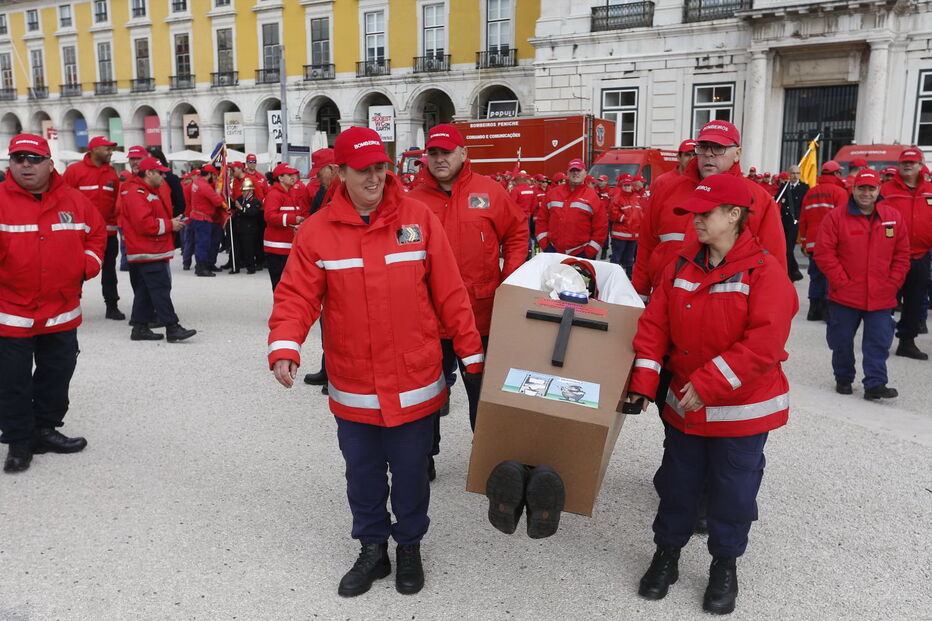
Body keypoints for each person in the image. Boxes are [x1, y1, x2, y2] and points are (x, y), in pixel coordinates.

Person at [267, 126, 485, 597]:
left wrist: (470, 351)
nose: (374, 176)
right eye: (362, 169)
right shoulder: (317, 232)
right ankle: (372, 547)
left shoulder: (419, 219)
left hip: (414, 378)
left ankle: (409, 545)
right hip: (354, 382)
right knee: (362, 472)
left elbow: (449, 291)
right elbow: (296, 297)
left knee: (411, 472)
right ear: (339, 173)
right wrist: (285, 345)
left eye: (380, 167)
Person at [625, 174, 797, 615]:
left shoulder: (765, 272)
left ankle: (725, 564)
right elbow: (654, 326)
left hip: (740, 411)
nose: (695, 222)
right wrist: (644, 384)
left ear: (735, 215)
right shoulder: (680, 265)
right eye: (692, 214)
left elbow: (765, 343)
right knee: (678, 486)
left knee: (733, 492)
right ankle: (668, 554)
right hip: (685, 409)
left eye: (705, 214)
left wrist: (706, 384)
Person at [406, 124, 528, 477]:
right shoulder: (411, 201)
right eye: (433, 153)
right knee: (427, 390)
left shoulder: (489, 192)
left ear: (464, 153)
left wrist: (510, 279)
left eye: (446, 152)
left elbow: (518, 233)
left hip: (481, 315)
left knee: (483, 388)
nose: (440, 159)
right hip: (429, 318)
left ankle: (488, 455)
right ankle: (424, 455)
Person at [0, 134, 107, 473]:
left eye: (34, 158)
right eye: (18, 158)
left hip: (61, 309)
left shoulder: (74, 201)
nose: (26, 164)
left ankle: (45, 428)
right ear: (10, 163)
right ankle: (19, 440)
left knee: (58, 373)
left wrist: (86, 265)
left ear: (50, 163)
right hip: (11, 311)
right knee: (13, 378)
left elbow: (97, 233)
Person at [632, 120, 787, 303]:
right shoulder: (666, 192)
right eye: (703, 147)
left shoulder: (758, 199)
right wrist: (639, 297)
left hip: (726, 310)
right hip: (666, 300)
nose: (709, 154)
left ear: (737, 153)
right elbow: (646, 248)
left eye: (718, 148)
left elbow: (773, 262)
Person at [814, 169, 910, 399]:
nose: (866, 193)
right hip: (845, 295)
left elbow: (902, 254)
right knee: (841, 340)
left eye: (871, 188)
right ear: (853, 189)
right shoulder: (836, 217)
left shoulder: (893, 217)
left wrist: (893, 282)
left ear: (879, 190)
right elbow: (824, 253)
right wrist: (841, 281)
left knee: (878, 341)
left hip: (881, 295)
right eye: (862, 188)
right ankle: (844, 377)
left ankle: (875, 384)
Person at [119, 157, 197, 343]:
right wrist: (170, 225)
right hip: (148, 251)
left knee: (145, 290)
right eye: (160, 173)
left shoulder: (144, 191)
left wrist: (171, 222)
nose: (164, 176)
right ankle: (172, 327)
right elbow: (144, 225)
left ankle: (139, 327)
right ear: (149, 173)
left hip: (149, 250)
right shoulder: (136, 192)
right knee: (161, 288)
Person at [63, 135, 123, 319]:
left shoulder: (112, 173)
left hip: (108, 233)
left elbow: (116, 202)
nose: (110, 152)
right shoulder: (74, 171)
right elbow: (63, 200)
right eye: (107, 148)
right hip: (79, 234)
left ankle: (111, 306)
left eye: (111, 149)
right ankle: (71, 306)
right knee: (74, 270)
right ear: (93, 150)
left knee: (110, 271)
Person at [881, 148, 932, 360]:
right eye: (904, 163)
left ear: (920, 165)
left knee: (915, 300)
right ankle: (879, 340)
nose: (908, 166)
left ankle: (907, 341)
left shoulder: (930, 189)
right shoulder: (885, 189)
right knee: (885, 300)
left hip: (921, 255)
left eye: (912, 162)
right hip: (891, 256)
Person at [798, 161, 849, 321]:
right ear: (835, 174)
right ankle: (827, 312)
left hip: (813, 242)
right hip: (832, 242)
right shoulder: (840, 192)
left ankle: (813, 310)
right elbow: (844, 220)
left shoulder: (811, 192)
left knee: (815, 275)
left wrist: (804, 241)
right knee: (830, 276)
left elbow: (803, 219)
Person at [536, 158, 607, 259]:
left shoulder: (593, 197)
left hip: (581, 254)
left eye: (579, 170)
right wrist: (546, 246)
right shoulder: (553, 194)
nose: (575, 173)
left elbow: (601, 228)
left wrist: (589, 252)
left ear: (585, 173)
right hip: (553, 252)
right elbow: (541, 221)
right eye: (572, 170)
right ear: (567, 173)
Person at [263, 162, 310, 290]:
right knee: (279, 284)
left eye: (293, 174)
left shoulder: (290, 193)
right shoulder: (274, 194)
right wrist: (294, 219)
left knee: (289, 284)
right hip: (277, 248)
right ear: (280, 178)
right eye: (289, 175)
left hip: (287, 246)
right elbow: (270, 217)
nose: (293, 177)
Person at [188, 165, 226, 277]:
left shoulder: (197, 182)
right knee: (203, 243)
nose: (214, 177)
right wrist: (218, 192)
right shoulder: (205, 186)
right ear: (209, 175)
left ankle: (205, 265)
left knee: (203, 242)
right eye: (213, 175)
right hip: (202, 218)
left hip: (198, 216)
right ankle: (201, 268)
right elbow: (217, 201)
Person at [778, 164, 809, 282]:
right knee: (784, 247)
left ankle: (790, 274)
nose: (795, 176)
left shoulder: (804, 188)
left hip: (795, 221)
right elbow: (777, 200)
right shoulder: (784, 187)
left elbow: (805, 205)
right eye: (793, 173)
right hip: (784, 221)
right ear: (788, 175)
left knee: (789, 248)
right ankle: (794, 270)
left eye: (797, 173)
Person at [609, 174, 641, 276]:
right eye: (625, 185)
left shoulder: (636, 197)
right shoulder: (617, 198)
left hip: (633, 234)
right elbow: (612, 213)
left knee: (630, 257)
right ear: (621, 186)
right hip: (620, 235)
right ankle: (612, 275)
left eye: (629, 185)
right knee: (617, 257)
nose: (627, 187)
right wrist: (624, 218)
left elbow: (640, 212)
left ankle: (629, 276)